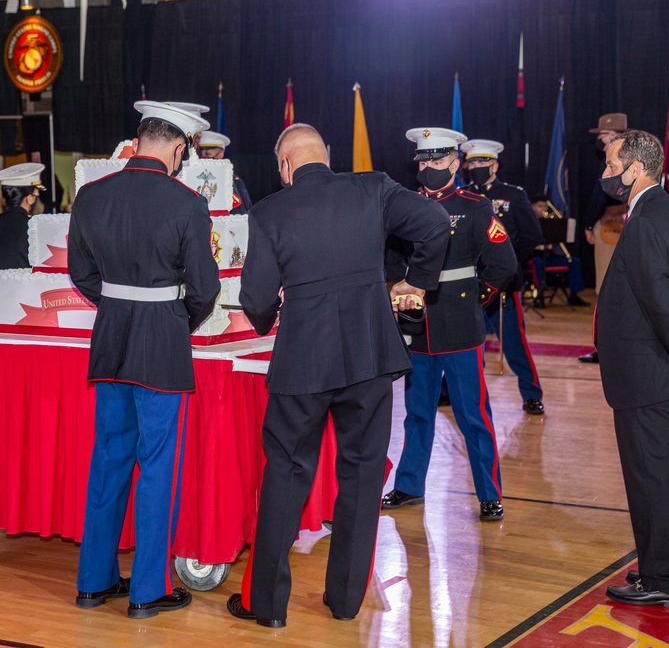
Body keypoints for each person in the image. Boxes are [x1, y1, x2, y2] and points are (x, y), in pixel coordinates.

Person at [226, 123, 451, 627]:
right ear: (325, 156)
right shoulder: (372, 188)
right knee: (362, 474)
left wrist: (272, 312)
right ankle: (346, 601)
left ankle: (266, 606)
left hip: (303, 363)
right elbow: (436, 222)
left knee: (285, 473)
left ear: (285, 166)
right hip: (371, 357)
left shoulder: (267, 212)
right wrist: (416, 281)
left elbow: (257, 301)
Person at [68, 101, 220, 619]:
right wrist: (176, 319)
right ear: (179, 147)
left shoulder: (91, 196)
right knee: (158, 467)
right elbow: (205, 289)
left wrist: (119, 302)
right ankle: (147, 590)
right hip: (161, 340)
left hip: (110, 335)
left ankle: (94, 580)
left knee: (109, 458)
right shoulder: (185, 202)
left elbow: (80, 274)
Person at [596, 130, 669, 607]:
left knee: (650, 481)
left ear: (634, 170)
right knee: (668, 476)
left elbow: (661, 303)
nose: (604, 174)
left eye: (609, 164)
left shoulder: (645, 221)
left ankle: (661, 579)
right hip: (666, 373)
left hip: (647, 375)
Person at [382, 127, 516, 522]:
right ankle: (409, 485)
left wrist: (475, 301)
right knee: (417, 412)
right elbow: (390, 256)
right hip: (416, 324)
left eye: (437, 161)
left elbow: (503, 264)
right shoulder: (404, 206)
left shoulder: (475, 206)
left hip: (460, 326)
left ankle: (490, 494)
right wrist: (397, 288)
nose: (428, 168)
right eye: (423, 161)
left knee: (472, 415)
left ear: (455, 164)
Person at [464, 139, 546, 416]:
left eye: (482, 163)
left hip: (504, 285)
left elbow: (532, 236)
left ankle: (532, 393)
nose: (476, 168)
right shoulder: (463, 196)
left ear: (495, 165)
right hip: (470, 284)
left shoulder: (513, 195)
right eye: (472, 163)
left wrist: (506, 265)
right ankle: (452, 392)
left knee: (513, 342)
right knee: (464, 343)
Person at [580, 112, 630, 363]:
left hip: (610, 224)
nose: (600, 139)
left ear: (613, 135)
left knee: (606, 287)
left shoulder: (611, 159)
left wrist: (589, 224)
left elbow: (600, 195)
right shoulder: (633, 158)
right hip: (628, 223)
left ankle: (606, 348)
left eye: (602, 134)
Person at [0, 162, 43, 277]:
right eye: (35, 195)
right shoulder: (35, 225)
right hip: (28, 289)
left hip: (0, 290)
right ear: (30, 199)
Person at [529, 193, 589, 305]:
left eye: (545, 206)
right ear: (532, 207)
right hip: (534, 256)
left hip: (549, 256)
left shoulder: (552, 223)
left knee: (574, 262)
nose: (543, 209)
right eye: (540, 206)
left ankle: (574, 295)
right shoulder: (528, 222)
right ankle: (539, 296)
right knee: (537, 264)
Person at [197, 131, 254, 214]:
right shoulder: (192, 176)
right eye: (201, 154)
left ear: (221, 154)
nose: (204, 159)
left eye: (208, 154)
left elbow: (243, 211)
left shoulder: (232, 180)